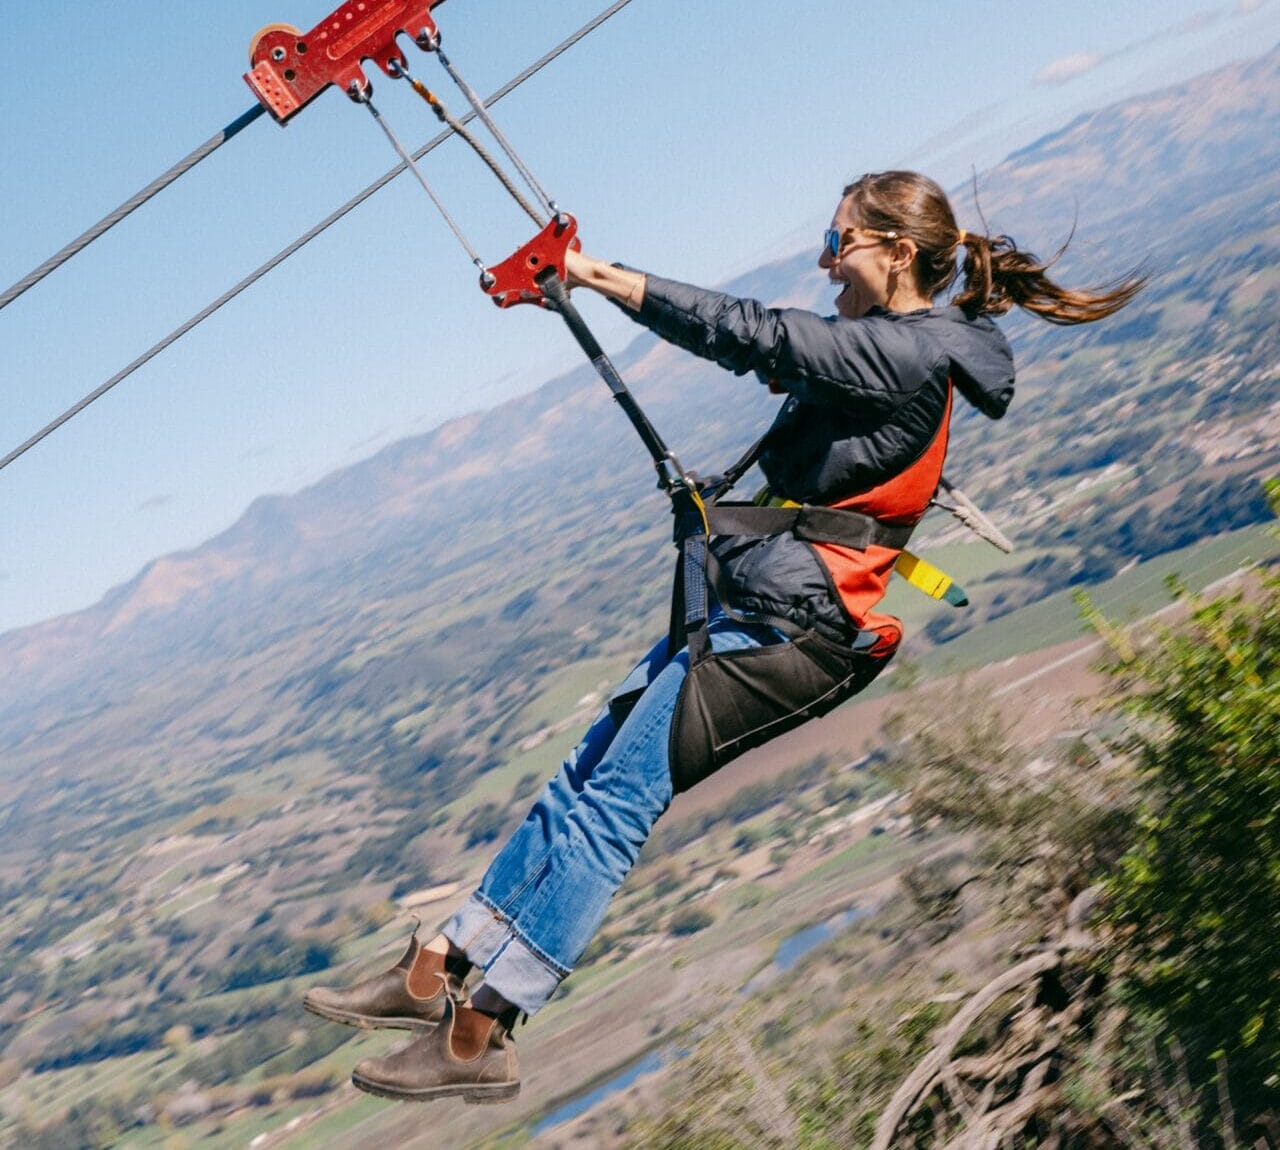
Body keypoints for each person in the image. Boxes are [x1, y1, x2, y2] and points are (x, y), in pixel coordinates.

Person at [303, 170, 1142, 1103]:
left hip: (797, 626)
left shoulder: (903, 355)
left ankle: (485, 1029)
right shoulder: (898, 347)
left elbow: (756, 336)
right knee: (585, 770)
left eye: (840, 241)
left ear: (897, 254)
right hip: (756, 600)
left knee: (617, 800)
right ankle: (441, 964)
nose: (826, 259)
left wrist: (591, 274)